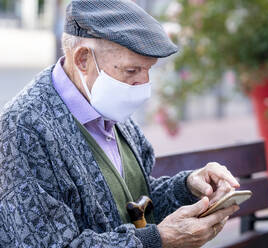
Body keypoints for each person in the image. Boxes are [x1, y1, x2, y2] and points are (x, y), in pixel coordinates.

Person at [0, 0, 241, 247]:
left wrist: (188, 187)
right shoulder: (23, 128)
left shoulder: (104, 103)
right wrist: (159, 239)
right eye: (131, 70)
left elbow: (132, 202)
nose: (144, 84)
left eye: (149, 70)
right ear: (83, 59)